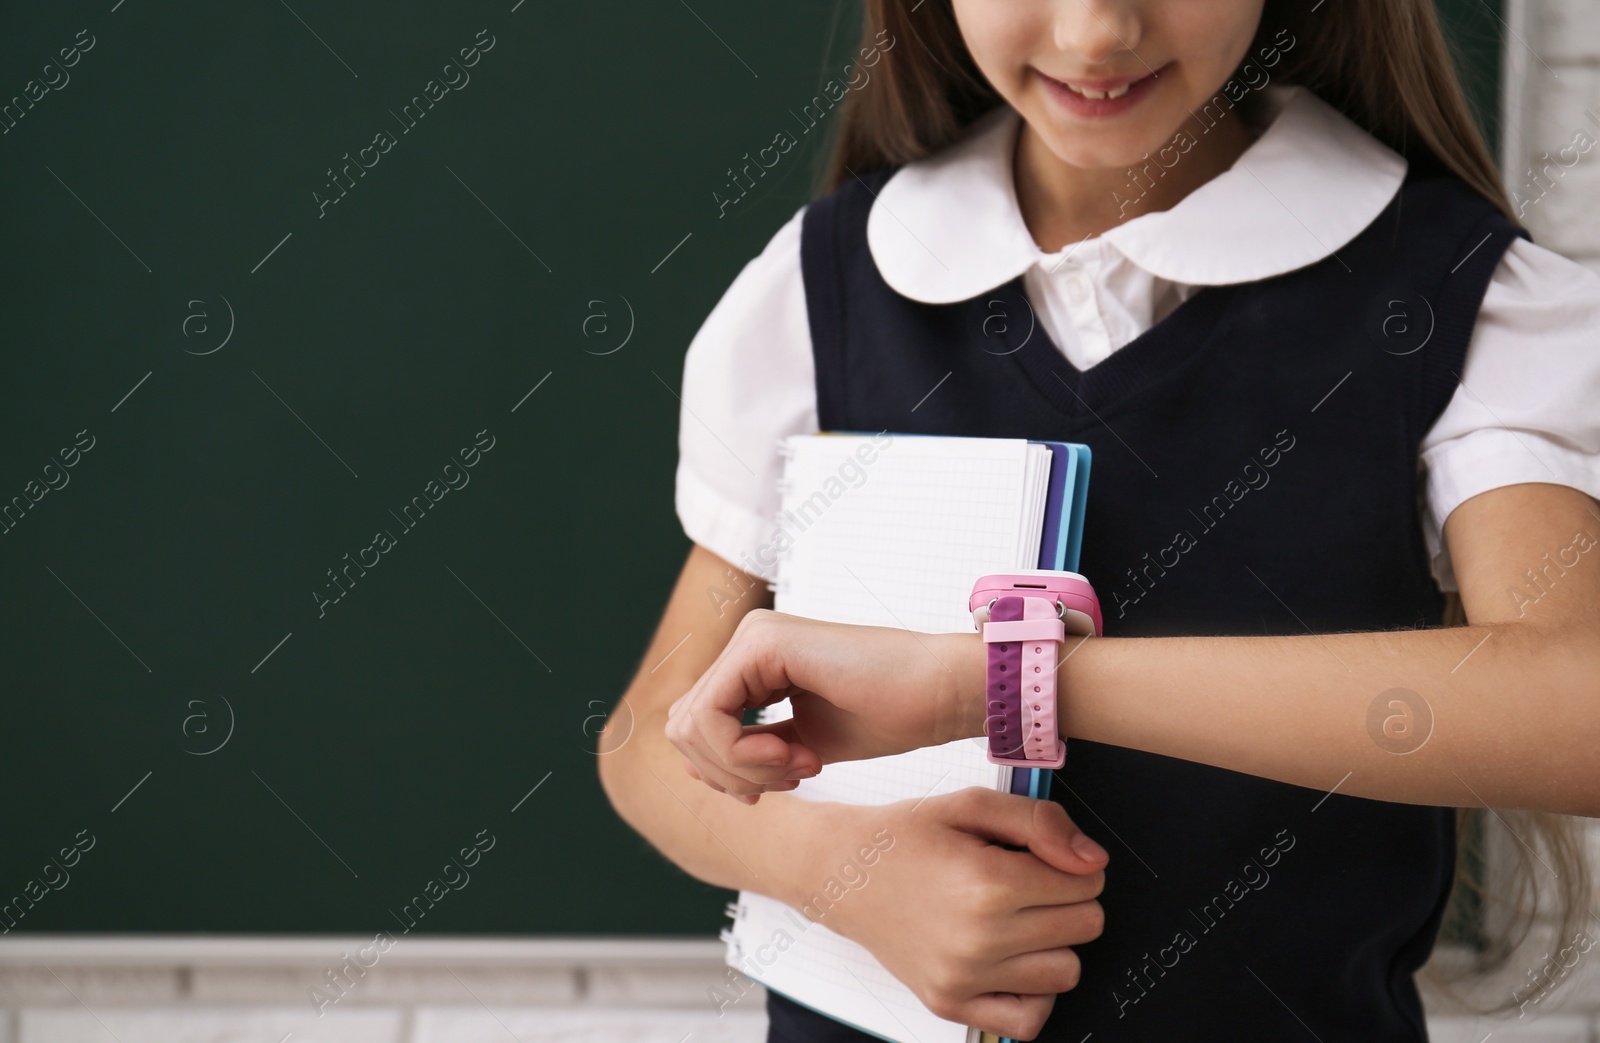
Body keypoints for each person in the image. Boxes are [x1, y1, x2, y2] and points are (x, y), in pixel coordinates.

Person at [600, 0, 1600, 1039]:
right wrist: (839, 870)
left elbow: (1579, 707)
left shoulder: (1459, 299)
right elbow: (646, 738)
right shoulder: (821, 284)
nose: (1095, 33)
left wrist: (989, 683)